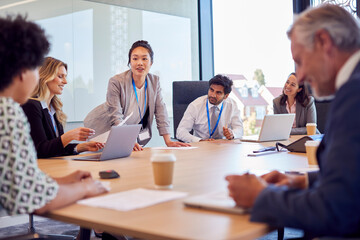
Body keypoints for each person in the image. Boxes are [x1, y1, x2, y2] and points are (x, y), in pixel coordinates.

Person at [226, 4, 360, 238]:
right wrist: (303, 180)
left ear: (324, 42)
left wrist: (260, 196)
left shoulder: (354, 94)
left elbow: (338, 210)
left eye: (300, 61)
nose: (302, 76)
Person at [0, 15, 107, 216]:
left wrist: (64, 181)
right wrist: (85, 188)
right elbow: (30, 197)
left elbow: (18, 179)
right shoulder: (7, 113)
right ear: (23, 71)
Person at [84, 40, 189, 150]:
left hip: (125, 134)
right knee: (105, 162)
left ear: (151, 62)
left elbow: (160, 110)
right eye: (135, 58)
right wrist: (128, 140)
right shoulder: (116, 82)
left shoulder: (154, 82)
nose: (140, 63)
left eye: (144, 59)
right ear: (130, 62)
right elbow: (116, 116)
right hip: (103, 129)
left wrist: (168, 141)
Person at [22, 57, 104, 158]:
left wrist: (82, 147)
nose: (65, 82)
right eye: (60, 76)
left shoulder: (54, 107)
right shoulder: (31, 106)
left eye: (65, 77)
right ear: (46, 77)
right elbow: (40, 150)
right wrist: (69, 136)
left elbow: (55, 147)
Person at [176, 74, 243, 143]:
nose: (213, 95)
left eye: (218, 93)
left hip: (224, 146)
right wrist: (200, 140)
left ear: (226, 96)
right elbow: (180, 132)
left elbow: (239, 129)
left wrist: (233, 134)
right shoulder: (195, 106)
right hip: (201, 147)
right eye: (211, 90)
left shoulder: (232, 105)